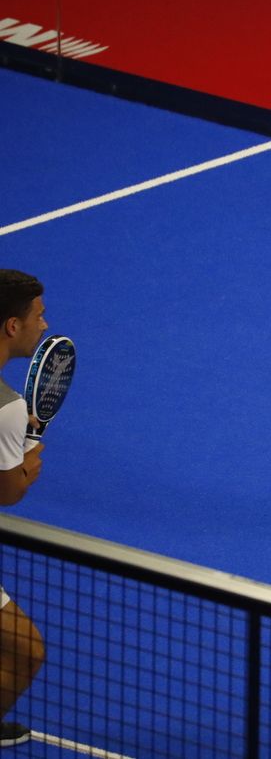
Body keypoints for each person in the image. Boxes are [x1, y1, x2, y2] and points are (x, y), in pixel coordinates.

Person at [0, 271, 48, 748]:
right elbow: (9, 492)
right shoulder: (6, 409)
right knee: (24, 650)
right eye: (38, 315)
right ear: (12, 326)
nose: (44, 323)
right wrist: (28, 457)